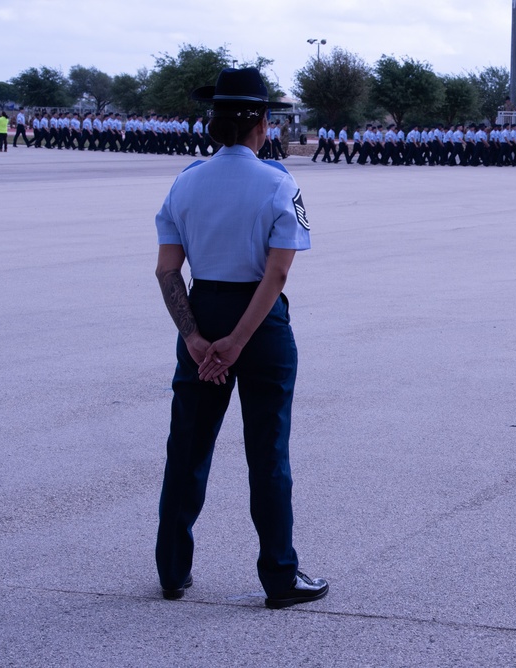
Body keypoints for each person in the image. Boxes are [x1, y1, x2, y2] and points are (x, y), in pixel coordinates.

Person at [153, 67, 328, 609]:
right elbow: (276, 274)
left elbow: (166, 271)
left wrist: (198, 339)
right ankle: (279, 576)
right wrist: (236, 342)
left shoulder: (185, 181)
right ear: (264, 124)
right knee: (267, 452)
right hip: (260, 322)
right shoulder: (278, 182)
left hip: (201, 312)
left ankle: (171, 571)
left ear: (214, 123)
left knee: (187, 448)